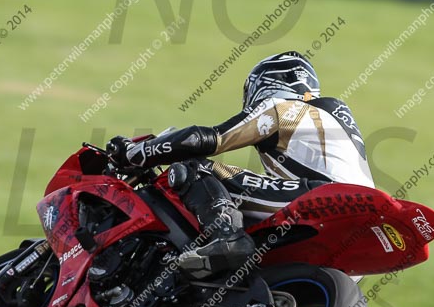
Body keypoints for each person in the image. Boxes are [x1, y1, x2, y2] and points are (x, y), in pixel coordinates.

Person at [107, 51, 374, 278]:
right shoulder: (331, 123)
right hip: (361, 225)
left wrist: (136, 152)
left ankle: (225, 236)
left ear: (267, 82)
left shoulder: (284, 107)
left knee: (192, 166)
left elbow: (211, 139)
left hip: (321, 197)